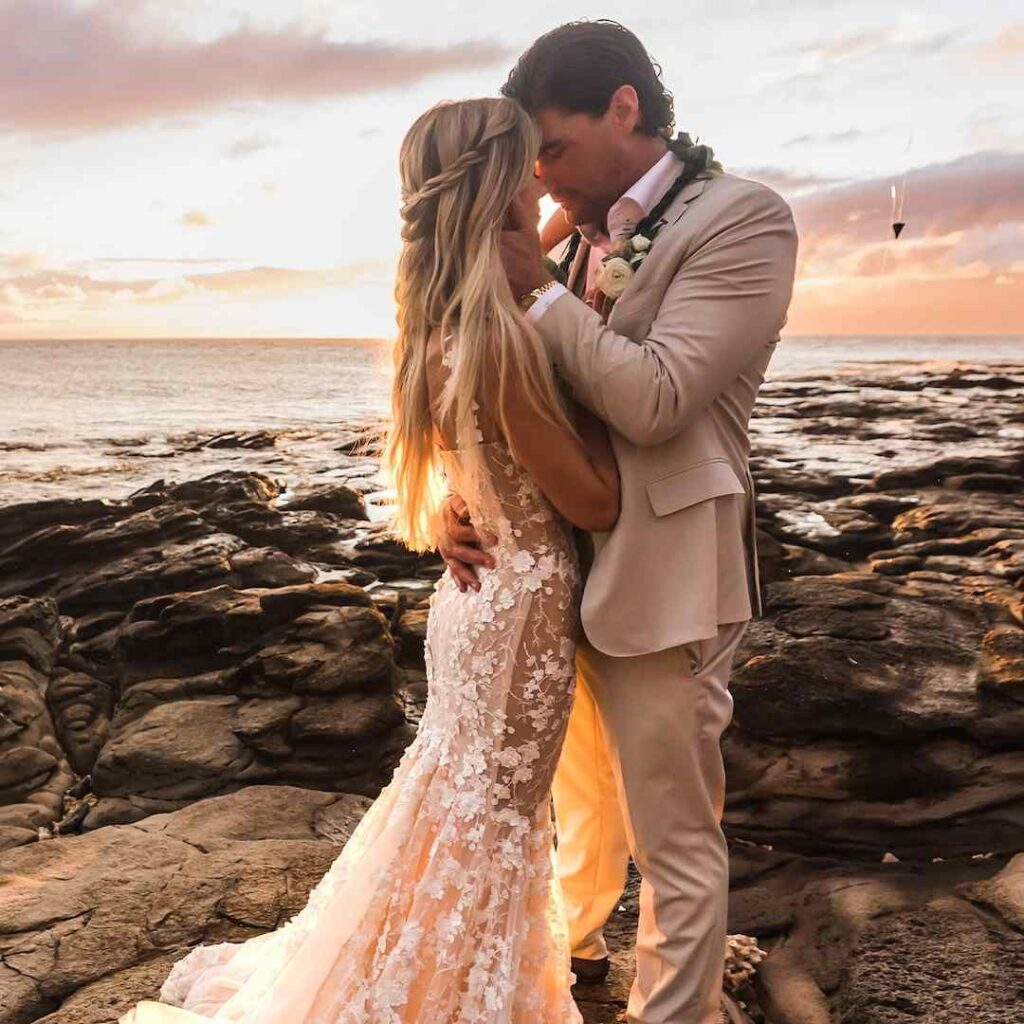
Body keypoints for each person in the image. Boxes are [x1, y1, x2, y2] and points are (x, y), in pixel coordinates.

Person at [116, 96, 619, 1024]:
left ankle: (438, 981)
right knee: (492, 826)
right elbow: (594, 502)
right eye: (525, 164)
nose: (542, 179)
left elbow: (471, 461)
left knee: (459, 816)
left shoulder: (437, 322)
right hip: (519, 613)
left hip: (476, 602)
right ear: (495, 182)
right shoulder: (501, 337)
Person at [438, 20, 798, 1024]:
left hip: (667, 566)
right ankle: (573, 954)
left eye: (552, 148)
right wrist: (459, 501)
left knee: (673, 834)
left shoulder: (740, 217)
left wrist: (533, 292)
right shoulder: (561, 235)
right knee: (582, 799)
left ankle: (673, 1013)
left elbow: (656, 399)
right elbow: (500, 399)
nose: (541, 179)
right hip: (553, 571)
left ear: (625, 109)